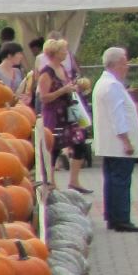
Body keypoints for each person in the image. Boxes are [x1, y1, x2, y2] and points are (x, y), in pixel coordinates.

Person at [92, 47, 138, 233]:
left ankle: (113, 217)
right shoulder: (112, 86)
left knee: (112, 180)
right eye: (125, 63)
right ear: (117, 64)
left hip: (109, 144)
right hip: (118, 144)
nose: (127, 67)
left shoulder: (103, 83)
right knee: (121, 181)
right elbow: (118, 116)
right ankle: (121, 218)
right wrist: (127, 141)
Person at [36, 39, 90, 195]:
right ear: (55, 53)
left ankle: (74, 181)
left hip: (68, 114)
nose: (66, 53)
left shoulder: (63, 69)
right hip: (54, 115)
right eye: (63, 51)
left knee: (79, 144)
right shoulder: (46, 73)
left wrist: (75, 87)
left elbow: (66, 87)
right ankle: (51, 183)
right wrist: (62, 91)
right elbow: (43, 97)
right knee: (54, 148)